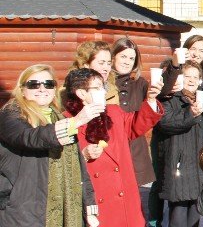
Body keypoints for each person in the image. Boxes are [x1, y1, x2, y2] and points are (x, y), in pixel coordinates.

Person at [0, 64, 100, 226]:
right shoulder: (10, 114)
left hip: (65, 213)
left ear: (54, 89)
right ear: (22, 89)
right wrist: (77, 121)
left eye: (48, 84)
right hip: (22, 212)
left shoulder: (60, 118)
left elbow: (80, 170)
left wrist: (89, 208)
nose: (42, 89)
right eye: (34, 84)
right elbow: (29, 137)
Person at [63, 68, 164, 226]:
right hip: (96, 202)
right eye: (97, 88)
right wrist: (83, 155)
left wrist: (150, 99)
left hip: (125, 202)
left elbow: (136, 124)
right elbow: (61, 161)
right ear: (81, 93)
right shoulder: (68, 121)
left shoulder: (114, 112)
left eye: (103, 87)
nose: (103, 92)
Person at [155, 61, 203, 227]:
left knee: (195, 214)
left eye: (195, 77)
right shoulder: (169, 97)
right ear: (179, 78)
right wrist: (190, 114)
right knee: (179, 213)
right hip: (178, 165)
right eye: (187, 76)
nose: (191, 80)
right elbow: (165, 124)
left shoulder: (202, 98)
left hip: (198, 165)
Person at [109, 38, 158, 190]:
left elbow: (161, 98)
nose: (127, 61)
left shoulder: (141, 84)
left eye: (131, 58)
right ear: (113, 57)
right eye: (123, 56)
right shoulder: (102, 83)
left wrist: (175, 66)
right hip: (110, 150)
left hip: (134, 152)